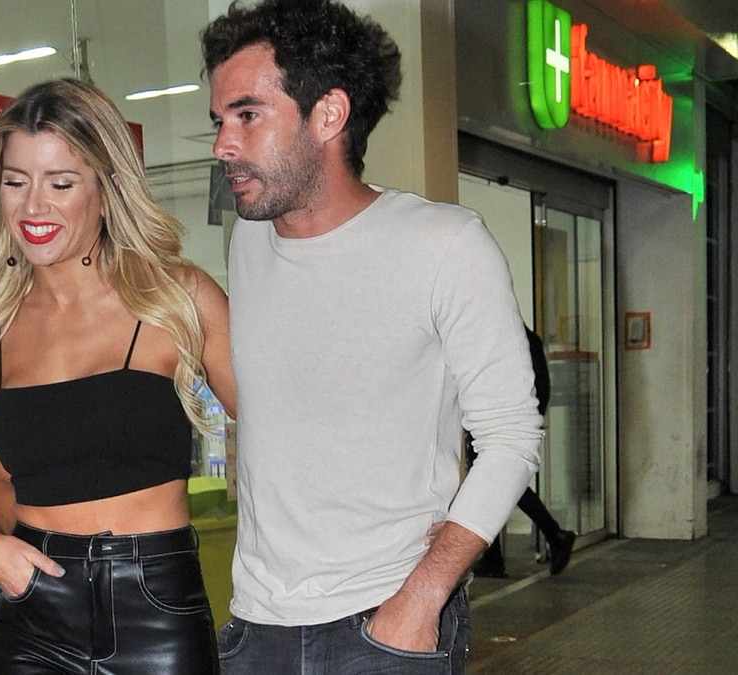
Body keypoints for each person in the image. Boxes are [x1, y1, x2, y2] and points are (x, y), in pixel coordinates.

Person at [202, 1, 544, 673]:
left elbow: (511, 434)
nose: (223, 145)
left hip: (386, 620)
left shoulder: (445, 244)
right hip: (258, 624)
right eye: (219, 121)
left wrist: (424, 595)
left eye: (247, 115)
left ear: (329, 114)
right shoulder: (248, 242)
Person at [0, 78, 237, 675]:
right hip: (32, 613)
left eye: (60, 184)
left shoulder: (177, 298)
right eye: (16, 182)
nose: (34, 208)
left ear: (107, 188)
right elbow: (7, 481)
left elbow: (281, 436)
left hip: (155, 606)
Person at [471, 327, 577, 578]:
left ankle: (552, 534)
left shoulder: (508, 338)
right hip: (509, 424)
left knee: (493, 484)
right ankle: (495, 556)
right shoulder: (523, 338)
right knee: (493, 486)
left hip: (500, 425)